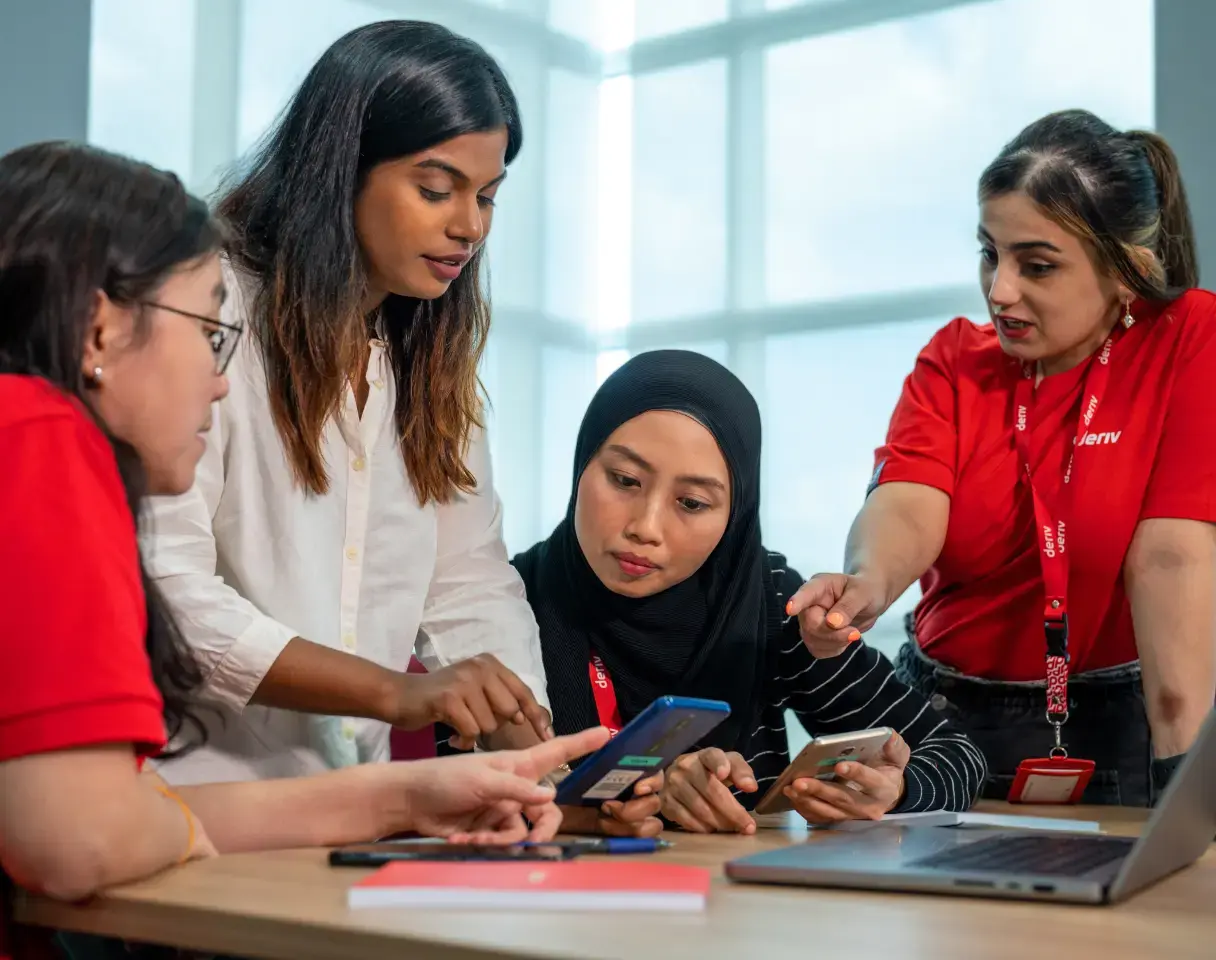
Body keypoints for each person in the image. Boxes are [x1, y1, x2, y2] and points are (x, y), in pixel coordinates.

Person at [0, 142, 608, 960]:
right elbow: (80, 839)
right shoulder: (37, 438)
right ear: (102, 327)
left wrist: (406, 793)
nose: (220, 379)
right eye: (211, 333)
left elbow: (119, 816)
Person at [143, 20, 553, 788]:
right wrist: (393, 692)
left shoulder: (428, 357)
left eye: (488, 197)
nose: (469, 226)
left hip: (346, 809)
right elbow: (171, 594)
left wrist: (536, 749)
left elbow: (468, 581)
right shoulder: (215, 306)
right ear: (341, 168)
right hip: (194, 803)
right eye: (436, 189)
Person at [791, 109, 1216, 807]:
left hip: (1117, 729)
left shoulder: (1187, 338)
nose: (1000, 290)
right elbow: (910, 500)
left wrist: (1186, 783)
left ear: (1127, 269)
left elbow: (1172, 559)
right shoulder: (955, 357)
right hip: (941, 726)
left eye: (1036, 265)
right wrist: (868, 584)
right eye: (990, 252)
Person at [512, 350, 986, 836]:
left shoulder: (769, 601)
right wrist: (648, 794)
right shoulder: (500, 601)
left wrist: (894, 789)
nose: (645, 527)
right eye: (625, 480)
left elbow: (956, 756)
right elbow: (455, 787)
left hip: (746, 903)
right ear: (582, 464)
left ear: (735, 514)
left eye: (692, 503)